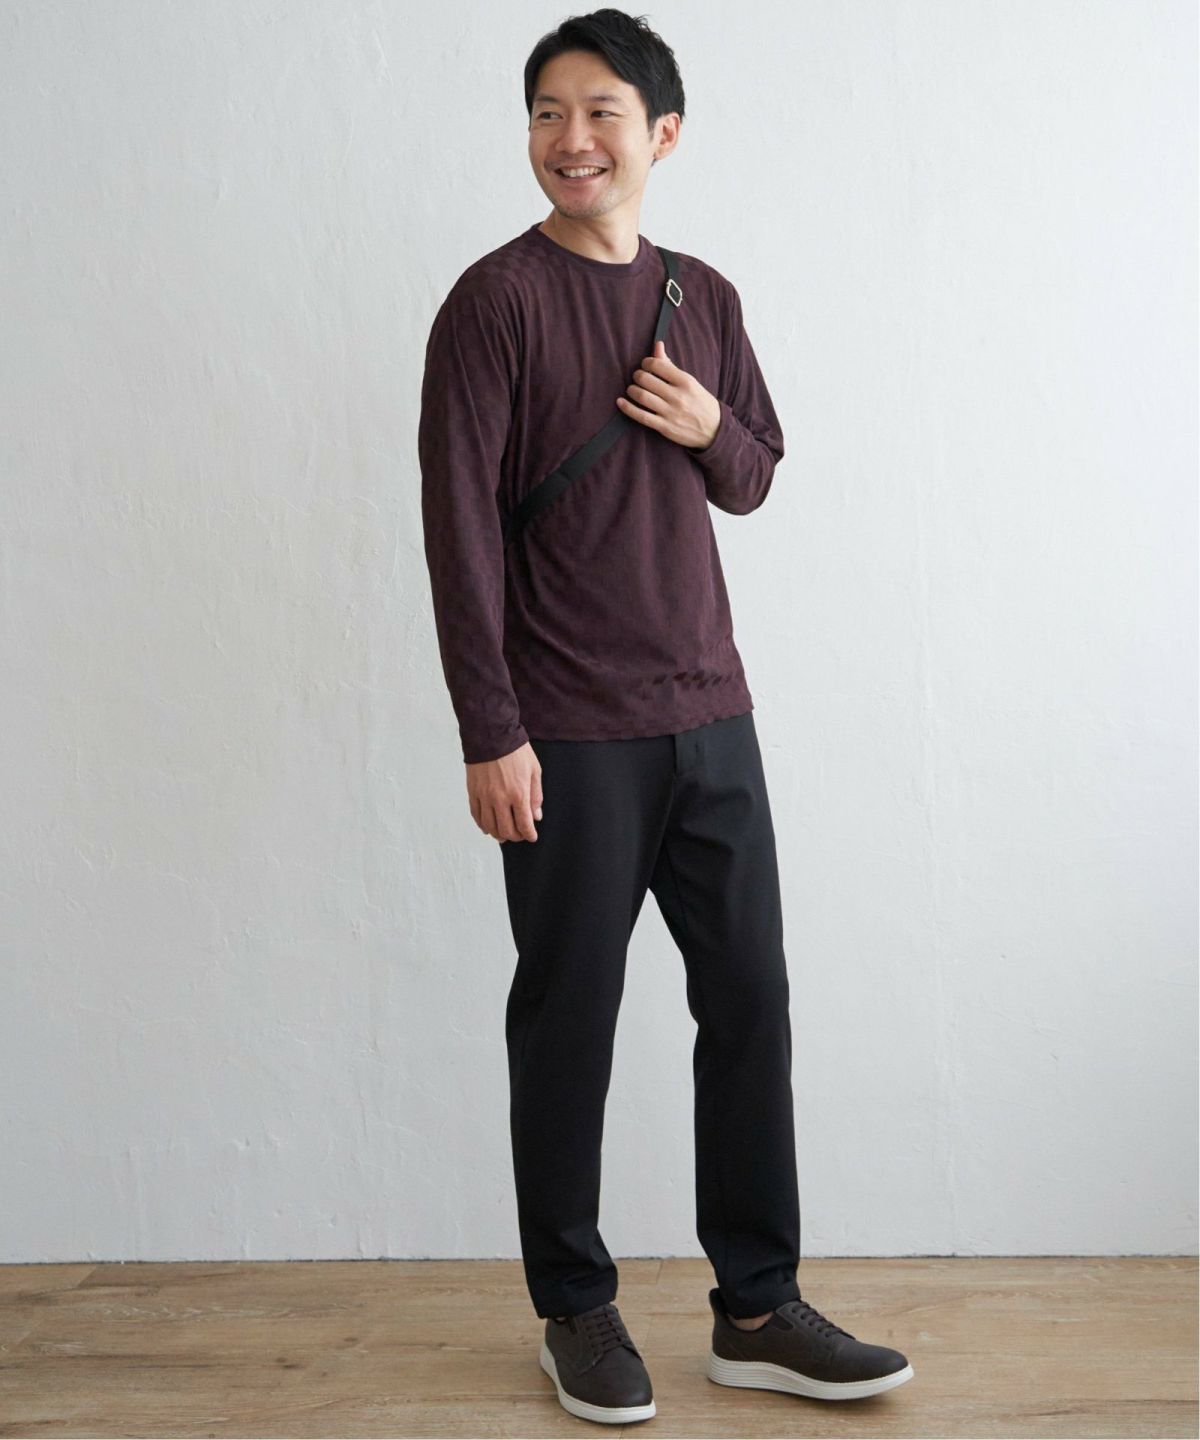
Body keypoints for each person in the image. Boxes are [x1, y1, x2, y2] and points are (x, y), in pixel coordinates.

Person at [418, 7, 913, 1425]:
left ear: (663, 135)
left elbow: (754, 475)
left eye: (601, 113)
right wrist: (489, 729)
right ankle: (573, 1308)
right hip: (564, 731)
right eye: (547, 113)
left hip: (713, 712)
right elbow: (458, 531)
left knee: (750, 1000)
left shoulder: (705, 296)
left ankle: (756, 1307)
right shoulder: (493, 303)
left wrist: (708, 426)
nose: (570, 138)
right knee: (568, 1018)